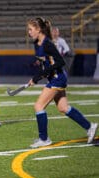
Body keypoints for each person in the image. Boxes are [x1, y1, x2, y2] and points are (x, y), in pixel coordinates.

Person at [26, 17, 98, 148]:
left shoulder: (48, 44)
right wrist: (36, 77)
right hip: (54, 78)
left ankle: (44, 139)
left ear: (38, 30)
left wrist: (39, 75)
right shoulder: (36, 44)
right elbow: (44, 64)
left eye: (30, 29)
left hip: (57, 78)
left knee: (38, 106)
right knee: (63, 107)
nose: (28, 32)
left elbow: (60, 62)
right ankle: (90, 127)